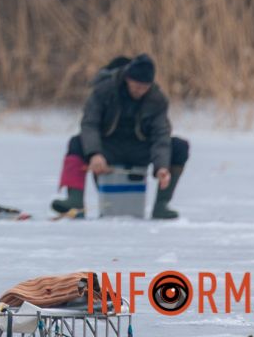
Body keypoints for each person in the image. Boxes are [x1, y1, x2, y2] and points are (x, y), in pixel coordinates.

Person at [50, 53, 189, 219]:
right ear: (128, 79)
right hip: (108, 147)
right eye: (137, 85)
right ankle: (74, 201)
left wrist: (162, 167)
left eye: (145, 86)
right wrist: (94, 154)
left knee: (179, 146)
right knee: (77, 143)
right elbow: (89, 124)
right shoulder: (103, 90)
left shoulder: (157, 99)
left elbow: (161, 135)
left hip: (140, 149)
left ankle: (161, 205)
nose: (140, 90)